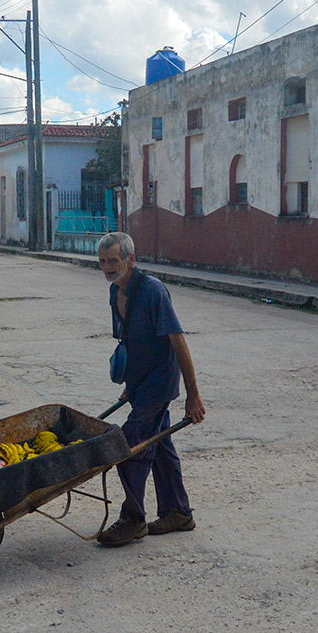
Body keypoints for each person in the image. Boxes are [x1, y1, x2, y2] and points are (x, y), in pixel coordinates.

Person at [96, 231, 206, 547]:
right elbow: (132, 343)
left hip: (160, 383)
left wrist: (193, 395)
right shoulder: (115, 292)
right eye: (102, 262)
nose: (107, 267)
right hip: (141, 385)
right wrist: (129, 385)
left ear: (131, 260)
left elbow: (178, 342)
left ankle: (133, 519)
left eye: (113, 260)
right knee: (161, 447)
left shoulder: (153, 292)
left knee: (130, 446)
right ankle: (178, 511)